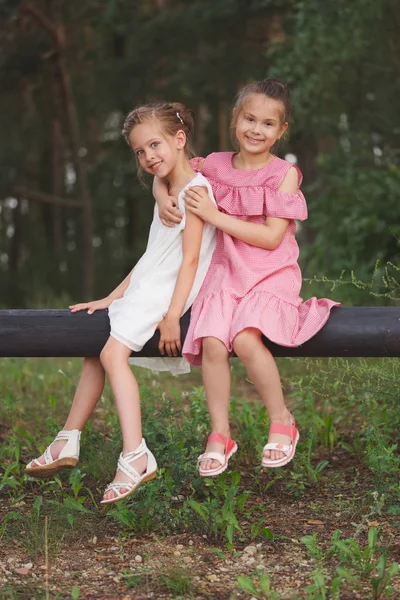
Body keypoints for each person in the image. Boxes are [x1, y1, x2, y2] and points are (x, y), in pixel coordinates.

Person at [25, 102, 217, 502]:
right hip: (150, 286)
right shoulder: (164, 191)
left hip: (169, 294)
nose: (149, 157)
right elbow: (153, 256)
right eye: (140, 152)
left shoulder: (196, 192)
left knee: (113, 356)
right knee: (95, 352)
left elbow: (191, 259)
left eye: (155, 145)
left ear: (179, 140)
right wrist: (113, 296)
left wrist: (170, 317)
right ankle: (68, 438)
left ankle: (135, 454)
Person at [154, 78, 340, 476]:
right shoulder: (215, 164)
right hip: (224, 270)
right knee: (214, 344)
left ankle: (282, 420)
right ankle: (220, 433)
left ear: (281, 130)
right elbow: (170, 166)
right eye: (250, 119)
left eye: (268, 124)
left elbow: (273, 237)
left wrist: (215, 215)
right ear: (235, 119)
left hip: (270, 273)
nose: (257, 130)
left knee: (244, 336)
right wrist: (160, 193)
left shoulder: (284, 174)